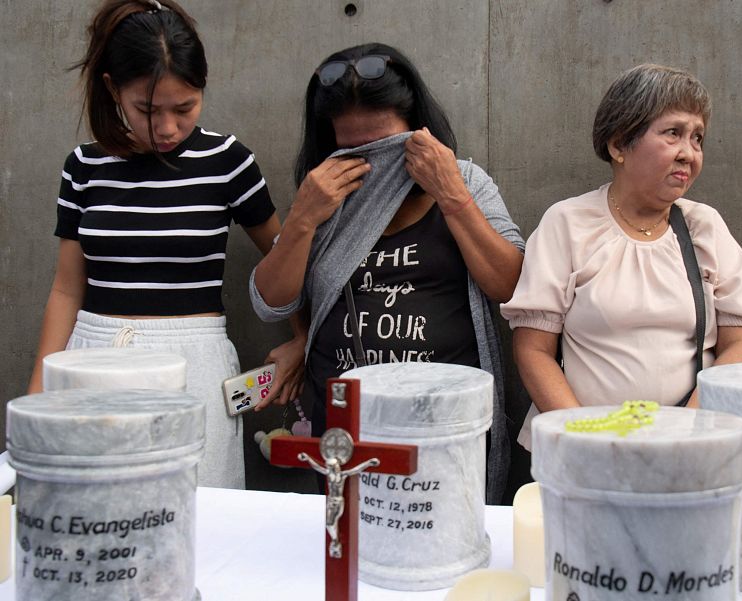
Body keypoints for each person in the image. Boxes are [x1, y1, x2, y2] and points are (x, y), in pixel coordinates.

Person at [250, 43, 524, 503]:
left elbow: (512, 286)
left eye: (387, 145)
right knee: (357, 545)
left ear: (418, 130)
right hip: (345, 421)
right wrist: (302, 219)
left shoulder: (465, 181)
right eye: (353, 149)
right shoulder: (324, 196)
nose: (372, 163)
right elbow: (270, 300)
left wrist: (451, 194)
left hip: (444, 418)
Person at [28, 0, 281, 489]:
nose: (167, 128)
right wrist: (38, 391)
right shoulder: (83, 167)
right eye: (147, 110)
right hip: (93, 359)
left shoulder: (227, 161)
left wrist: (300, 340)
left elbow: (284, 264)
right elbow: (66, 290)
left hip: (195, 365)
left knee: (202, 520)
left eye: (184, 108)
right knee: (95, 519)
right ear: (112, 90)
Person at [501, 64, 742, 449]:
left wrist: (686, 433)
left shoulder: (705, 228)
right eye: (673, 133)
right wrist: (584, 440)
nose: (688, 153)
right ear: (618, 145)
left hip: (689, 454)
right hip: (580, 455)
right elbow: (533, 349)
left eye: (697, 138)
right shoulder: (569, 223)